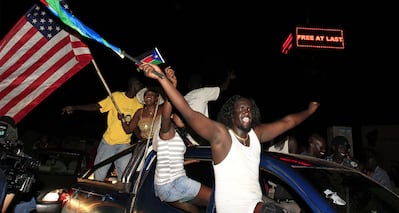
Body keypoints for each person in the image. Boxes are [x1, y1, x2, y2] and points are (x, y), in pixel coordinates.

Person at [140, 63, 320, 213]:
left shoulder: (256, 135)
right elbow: (189, 113)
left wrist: (310, 111)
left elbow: (288, 122)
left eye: (249, 108)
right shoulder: (222, 136)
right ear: (231, 116)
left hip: (256, 206)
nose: (246, 111)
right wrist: (163, 79)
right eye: (241, 109)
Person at [61, 76, 144, 181]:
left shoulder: (139, 104)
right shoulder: (116, 97)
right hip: (109, 142)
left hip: (124, 144)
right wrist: (74, 107)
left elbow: (134, 126)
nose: (141, 87)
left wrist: (142, 139)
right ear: (133, 84)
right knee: (99, 174)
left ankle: (121, 196)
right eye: (140, 85)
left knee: (125, 177)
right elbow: (97, 107)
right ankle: (93, 195)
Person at [153, 67, 211, 210]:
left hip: (162, 187)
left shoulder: (179, 138)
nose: (183, 116)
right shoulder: (166, 132)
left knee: (194, 210)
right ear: (173, 117)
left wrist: (191, 161)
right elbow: (166, 115)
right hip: (173, 183)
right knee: (218, 199)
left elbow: (171, 160)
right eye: (179, 114)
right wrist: (171, 87)